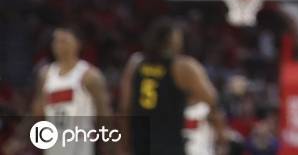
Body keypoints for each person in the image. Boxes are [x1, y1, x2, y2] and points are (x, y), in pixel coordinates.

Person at [118, 19, 223, 155]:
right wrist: (221, 134)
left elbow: (124, 108)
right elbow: (212, 100)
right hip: (169, 144)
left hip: (140, 143)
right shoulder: (182, 66)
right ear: (172, 41)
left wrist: (123, 143)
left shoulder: (135, 64)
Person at [30, 26, 112, 155]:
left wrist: (108, 146)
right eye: (56, 41)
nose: (59, 45)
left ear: (77, 44)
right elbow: (37, 111)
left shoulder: (89, 75)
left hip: (80, 148)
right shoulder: (46, 74)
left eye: (64, 40)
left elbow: (104, 114)